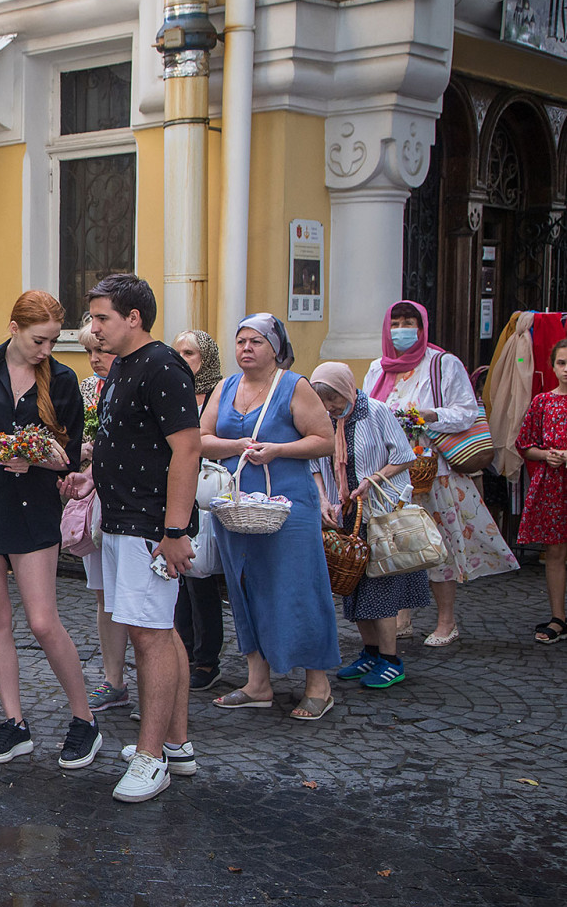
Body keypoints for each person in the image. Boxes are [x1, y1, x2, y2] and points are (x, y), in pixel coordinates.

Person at [0, 291, 101, 771]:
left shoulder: (63, 379)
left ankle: (85, 719)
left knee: (42, 620)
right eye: (39, 340)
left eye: (53, 341)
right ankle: (14, 723)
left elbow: (67, 455)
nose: (46, 350)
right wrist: (16, 447)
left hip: (32, 508)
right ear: (14, 328)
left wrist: (33, 457)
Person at [81, 274, 201, 803]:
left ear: (134, 318)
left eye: (102, 318)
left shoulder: (162, 366)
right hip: (123, 520)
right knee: (158, 630)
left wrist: (174, 530)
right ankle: (175, 743)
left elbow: (187, 450)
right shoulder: (125, 366)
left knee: (149, 636)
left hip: (148, 527)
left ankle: (152, 759)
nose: (94, 328)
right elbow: (129, 441)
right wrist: (91, 478)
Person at [202, 313, 339, 720]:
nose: (246, 348)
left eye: (256, 341)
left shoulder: (293, 386)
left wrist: (278, 450)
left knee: (299, 588)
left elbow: (325, 441)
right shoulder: (225, 387)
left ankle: (318, 685)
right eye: (241, 341)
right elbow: (201, 438)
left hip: (289, 506)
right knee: (245, 587)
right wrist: (235, 445)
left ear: (276, 348)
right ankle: (257, 683)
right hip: (236, 505)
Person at [362, 300, 516, 646]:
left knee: (438, 544)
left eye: (409, 323)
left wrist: (429, 416)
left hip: (434, 470)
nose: (401, 330)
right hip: (391, 473)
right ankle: (401, 617)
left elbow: (466, 411)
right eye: (395, 323)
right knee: (398, 543)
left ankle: (447, 620)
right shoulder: (377, 368)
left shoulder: (443, 363)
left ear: (422, 327)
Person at [310, 362, 431, 688]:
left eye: (334, 399)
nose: (331, 407)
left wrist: (371, 480)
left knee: (380, 589)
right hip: (346, 517)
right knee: (352, 588)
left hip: (378, 514)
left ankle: (391, 660)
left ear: (347, 390)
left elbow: (404, 456)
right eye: (324, 401)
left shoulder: (375, 412)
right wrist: (323, 500)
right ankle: (371, 653)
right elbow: (315, 465)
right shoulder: (324, 419)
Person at [74, 323, 133, 717]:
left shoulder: (136, 383)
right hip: (94, 499)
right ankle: (114, 681)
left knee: (135, 597)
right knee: (103, 594)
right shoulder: (87, 389)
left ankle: (155, 686)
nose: (95, 359)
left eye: (102, 351)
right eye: (89, 352)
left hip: (129, 503)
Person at [172, 329, 226, 692]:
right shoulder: (173, 391)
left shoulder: (219, 394)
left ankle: (207, 660)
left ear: (206, 360)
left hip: (205, 494)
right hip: (175, 491)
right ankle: (183, 651)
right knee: (177, 581)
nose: (182, 360)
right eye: (178, 353)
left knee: (201, 580)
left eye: (189, 353)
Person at [515, 338, 567, 645]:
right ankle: (558, 617)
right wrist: (546, 455)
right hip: (553, 484)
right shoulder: (543, 402)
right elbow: (525, 444)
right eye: (561, 363)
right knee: (555, 551)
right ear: (553, 366)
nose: (566, 369)